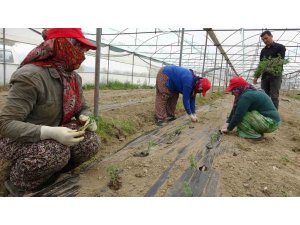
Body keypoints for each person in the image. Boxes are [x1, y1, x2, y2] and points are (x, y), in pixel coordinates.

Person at [0, 28, 100, 195]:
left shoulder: (74, 78)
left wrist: (86, 116)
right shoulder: (31, 76)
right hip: (19, 139)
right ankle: (19, 183)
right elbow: (6, 124)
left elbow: (82, 106)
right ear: (62, 45)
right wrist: (49, 132)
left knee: (90, 142)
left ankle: (53, 174)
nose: (83, 54)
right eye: (78, 47)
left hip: (55, 134)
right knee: (55, 152)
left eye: (85, 49)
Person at [253, 30, 286, 109]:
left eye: (266, 38)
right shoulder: (263, 51)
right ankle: (265, 112)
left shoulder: (280, 47)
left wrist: (267, 66)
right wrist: (256, 76)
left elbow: (279, 61)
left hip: (275, 76)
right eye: (263, 40)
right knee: (264, 95)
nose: (265, 41)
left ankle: (274, 116)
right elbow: (261, 64)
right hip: (265, 76)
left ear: (271, 36)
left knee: (274, 96)